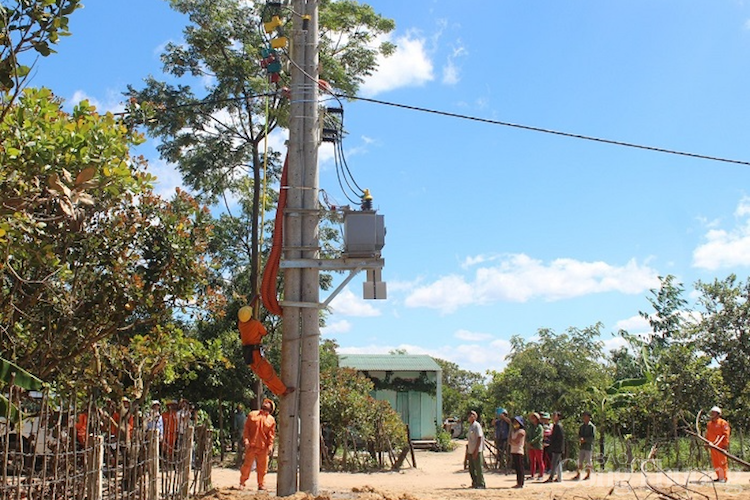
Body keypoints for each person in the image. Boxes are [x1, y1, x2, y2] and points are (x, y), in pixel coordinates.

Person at [238, 306, 294, 397]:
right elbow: (264, 332)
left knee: (263, 375)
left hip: (248, 354)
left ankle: (278, 390)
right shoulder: (255, 324)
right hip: (255, 353)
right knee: (267, 372)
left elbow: (245, 313)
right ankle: (282, 390)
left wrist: (254, 299)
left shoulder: (241, 324)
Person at [240, 398, 277, 491]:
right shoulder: (252, 415)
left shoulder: (271, 420)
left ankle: (261, 484)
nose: (266, 403)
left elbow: (271, 435)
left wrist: (270, 446)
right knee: (247, 466)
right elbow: (246, 430)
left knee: (263, 468)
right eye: (265, 402)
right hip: (251, 446)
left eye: (269, 403)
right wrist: (246, 440)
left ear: (271, 408)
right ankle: (242, 483)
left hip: (263, 448)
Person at [705, 405, 730, 483]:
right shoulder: (709, 424)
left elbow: (726, 434)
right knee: (715, 462)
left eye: (714, 413)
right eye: (711, 412)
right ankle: (719, 477)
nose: (712, 414)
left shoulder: (723, 423)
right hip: (712, 446)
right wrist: (706, 443)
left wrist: (725, 444)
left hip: (720, 446)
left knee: (722, 462)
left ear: (718, 414)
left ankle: (723, 477)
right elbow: (708, 434)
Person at [501, 413, 526, 488]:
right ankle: (518, 482)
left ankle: (521, 483)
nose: (515, 424)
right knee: (517, 468)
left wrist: (511, 441)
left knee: (520, 467)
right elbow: (511, 441)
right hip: (514, 450)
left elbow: (515, 441)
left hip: (519, 451)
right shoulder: (513, 431)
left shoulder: (521, 431)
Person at [465, 410, 485, 489]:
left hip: (477, 450)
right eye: (469, 415)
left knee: (478, 468)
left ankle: (481, 483)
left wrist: (476, 450)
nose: (470, 416)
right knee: (471, 468)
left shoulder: (477, 425)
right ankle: (475, 482)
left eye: (472, 415)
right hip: (470, 449)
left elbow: (479, 437)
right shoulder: (470, 426)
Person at [573, 411, 595, 480]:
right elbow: (579, 435)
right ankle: (578, 474)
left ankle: (588, 475)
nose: (584, 417)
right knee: (580, 461)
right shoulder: (582, 427)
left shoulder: (591, 427)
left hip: (588, 446)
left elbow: (592, 437)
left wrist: (585, 440)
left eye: (586, 416)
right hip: (582, 446)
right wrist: (580, 439)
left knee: (588, 461)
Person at [544, 411, 564, 483]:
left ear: (558, 417)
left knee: (554, 462)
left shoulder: (558, 426)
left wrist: (554, 446)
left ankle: (551, 477)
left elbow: (559, 438)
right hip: (557, 447)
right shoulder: (557, 425)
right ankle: (559, 478)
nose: (553, 417)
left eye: (554, 415)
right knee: (558, 463)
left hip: (557, 448)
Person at [526, 412, 545, 480]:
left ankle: (541, 475)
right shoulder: (530, 427)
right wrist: (528, 442)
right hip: (530, 446)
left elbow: (539, 437)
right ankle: (532, 475)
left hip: (537, 446)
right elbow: (527, 435)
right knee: (532, 461)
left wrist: (531, 442)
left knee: (540, 460)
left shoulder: (540, 427)